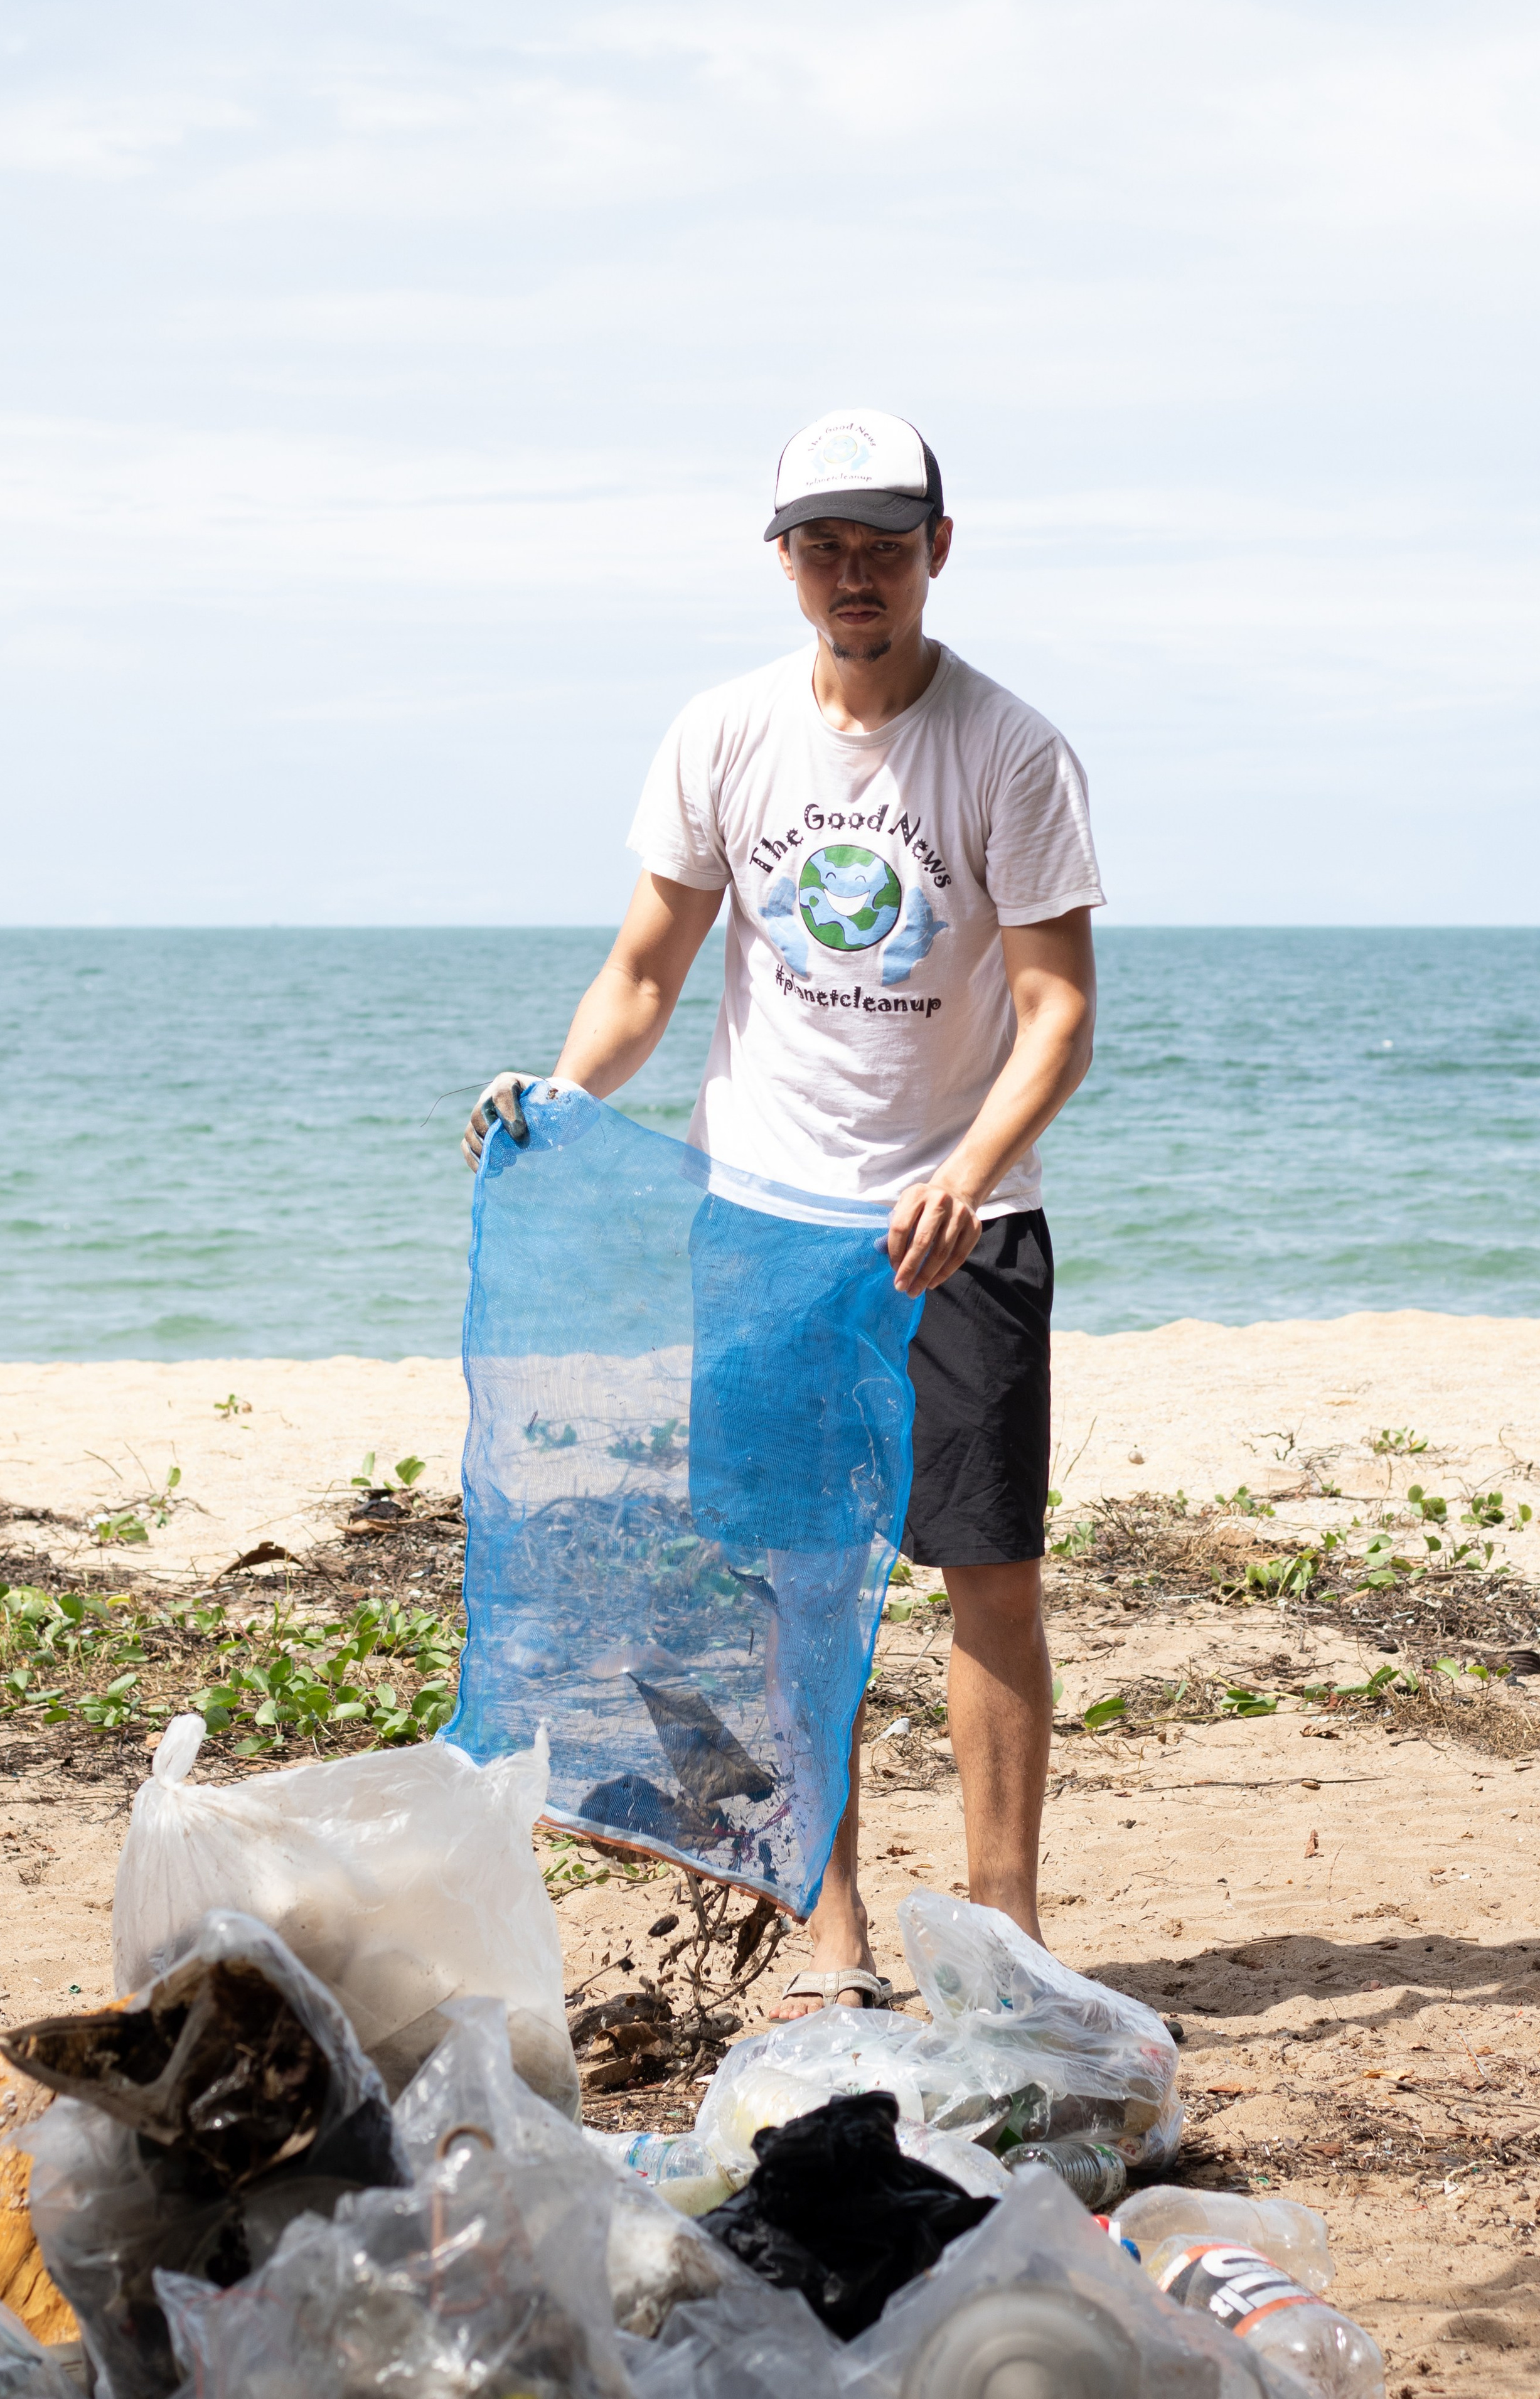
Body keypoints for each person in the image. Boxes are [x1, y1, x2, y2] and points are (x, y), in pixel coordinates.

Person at [463, 408, 1103, 2012]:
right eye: (823, 546)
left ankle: (1005, 1937)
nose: (855, 574)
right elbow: (643, 970)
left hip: (960, 1220)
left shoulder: (1010, 750)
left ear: (936, 553)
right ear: (784, 562)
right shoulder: (722, 733)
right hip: (757, 1219)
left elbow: (1056, 1011)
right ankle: (832, 1943)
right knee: (793, 1579)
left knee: (987, 1573)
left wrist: (968, 1167)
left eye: (885, 544)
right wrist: (567, 1097)